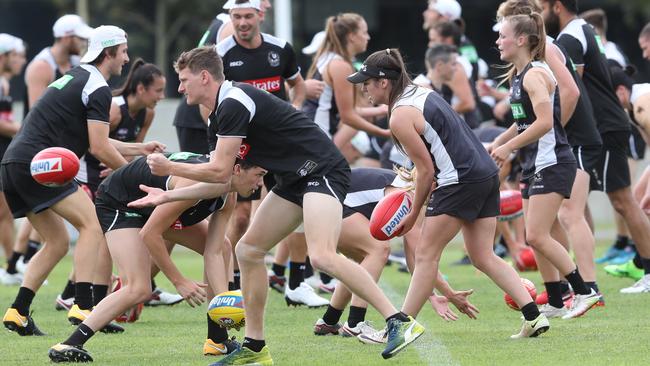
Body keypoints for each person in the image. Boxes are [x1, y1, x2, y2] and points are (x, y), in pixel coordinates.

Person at [134, 45, 424, 363]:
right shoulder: (217, 116)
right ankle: (255, 347)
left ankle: (399, 321)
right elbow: (222, 180)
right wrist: (167, 195)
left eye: (183, 79)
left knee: (323, 256)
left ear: (204, 77)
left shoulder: (233, 102)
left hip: (321, 169)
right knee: (248, 251)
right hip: (292, 179)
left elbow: (217, 170)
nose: (179, 87)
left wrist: (170, 168)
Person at [348, 47, 548, 339]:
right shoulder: (422, 92)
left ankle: (402, 325)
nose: (363, 89)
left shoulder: (400, 116)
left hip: (459, 180)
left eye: (366, 82)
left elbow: (426, 171)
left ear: (383, 82)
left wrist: (412, 213)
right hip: (485, 173)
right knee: (483, 255)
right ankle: (533, 315)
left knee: (426, 254)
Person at [1, 25, 164, 336]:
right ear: (108, 53)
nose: (126, 59)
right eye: (123, 52)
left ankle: (18, 311)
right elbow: (100, 147)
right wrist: (137, 177)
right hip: (39, 162)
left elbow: (95, 141)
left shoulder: (78, 77)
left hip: (15, 163)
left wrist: (138, 149)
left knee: (57, 242)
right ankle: (84, 305)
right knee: (93, 225)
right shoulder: (98, 87)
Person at [48, 153, 266, 362]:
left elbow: (215, 251)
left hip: (153, 204)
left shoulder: (229, 193)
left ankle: (217, 340)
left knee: (224, 246)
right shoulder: (193, 185)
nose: (260, 184)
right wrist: (179, 281)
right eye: (259, 175)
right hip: (120, 202)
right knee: (139, 288)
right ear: (236, 169)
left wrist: (225, 305)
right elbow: (150, 234)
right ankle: (69, 344)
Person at [492, 13, 602, 318]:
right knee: (535, 235)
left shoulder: (534, 75)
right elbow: (522, 122)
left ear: (522, 40)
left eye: (503, 36)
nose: (498, 41)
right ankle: (555, 300)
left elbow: (543, 123)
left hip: (551, 161)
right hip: (535, 162)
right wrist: (497, 142)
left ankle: (584, 291)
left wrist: (508, 149)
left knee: (537, 235)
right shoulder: (519, 76)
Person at [541, 0, 650, 293]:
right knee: (578, 203)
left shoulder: (570, 37)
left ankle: (635, 274)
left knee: (620, 201)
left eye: (542, 6)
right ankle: (582, 278)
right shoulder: (582, 29)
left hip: (601, 127)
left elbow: (570, 88)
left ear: (556, 6)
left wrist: (554, 127)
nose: (540, 14)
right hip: (599, 127)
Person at [313, 167, 479, 342]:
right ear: (432, 183)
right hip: (329, 202)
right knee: (378, 249)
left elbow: (414, 259)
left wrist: (432, 295)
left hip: (329, 202)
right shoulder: (407, 195)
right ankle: (355, 323)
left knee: (360, 263)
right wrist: (449, 293)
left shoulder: (408, 190)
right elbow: (421, 255)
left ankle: (329, 320)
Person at [3, 14, 93, 288]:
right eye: (80, 37)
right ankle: (78, 298)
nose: (84, 42)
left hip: (53, 148)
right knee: (89, 224)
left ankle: (19, 267)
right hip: (37, 151)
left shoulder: (77, 64)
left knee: (53, 233)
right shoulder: (42, 66)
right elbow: (38, 110)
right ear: (67, 37)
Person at [0, 34, 26, 283]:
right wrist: (26, 129)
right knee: (4, 212)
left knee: (5, 213)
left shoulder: (5, 84)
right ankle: (9, 267)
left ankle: (10, 265)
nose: (21, 60)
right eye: (16, 55)